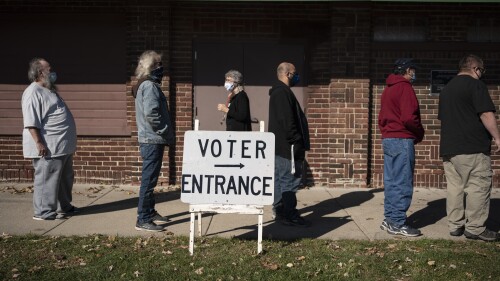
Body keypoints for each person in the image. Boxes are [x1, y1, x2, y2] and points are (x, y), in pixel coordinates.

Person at [438, 54, 500, 242]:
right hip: (472, 147)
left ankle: (455, 225)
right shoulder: (476, 85)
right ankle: (475, 228)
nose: (482, 75)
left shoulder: (446, 89)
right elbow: (486, 114)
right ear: (475, 69)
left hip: (449, 148)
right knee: (478, 186)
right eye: (482, 71)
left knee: (455, 187)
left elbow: (444, 119)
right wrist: (497, 137)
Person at [22, 58, 78, 220]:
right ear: (40, 72)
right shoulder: (33, 92)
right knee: (47, 180)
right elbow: (31, 121)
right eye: (49, 69)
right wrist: (39, 142)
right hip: (49, 146)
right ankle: (43, 211)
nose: (53, 72)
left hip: (62, 146)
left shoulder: (49, 90)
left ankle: (64, 207)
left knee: (64, 179)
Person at [378, 58, 424, 237]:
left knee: (391, 182)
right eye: (412, 70)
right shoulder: (405, 88)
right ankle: (397, 223)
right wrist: (419, 133)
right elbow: (408, 118)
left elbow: (382, 118)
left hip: (389, 138)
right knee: (402, 182)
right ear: (406, 70)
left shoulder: (388, 89)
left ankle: (389, 219)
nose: (414, 73)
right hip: (402, 139)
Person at [132, 50, 174, 232]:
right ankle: (143, 219)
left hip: (151, 139)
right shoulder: (149, 86)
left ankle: (149, 211)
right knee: (148, 181)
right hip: (152, 139)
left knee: (152, 179)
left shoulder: (147, 85)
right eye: (157, 64)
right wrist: (164, 130)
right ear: (149, 67)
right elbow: (151, 114)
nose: (161, 67)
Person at [268, 62, 310, 227]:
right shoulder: (282, 93)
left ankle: (280, 211)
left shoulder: (280, 92)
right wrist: (296, 139)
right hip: (287, 147)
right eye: (295, 73)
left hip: (281, 146)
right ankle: (289, 214)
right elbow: (287, 120)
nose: (296, 76)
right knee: (288, 180)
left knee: (279, 180)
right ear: (287, 74)